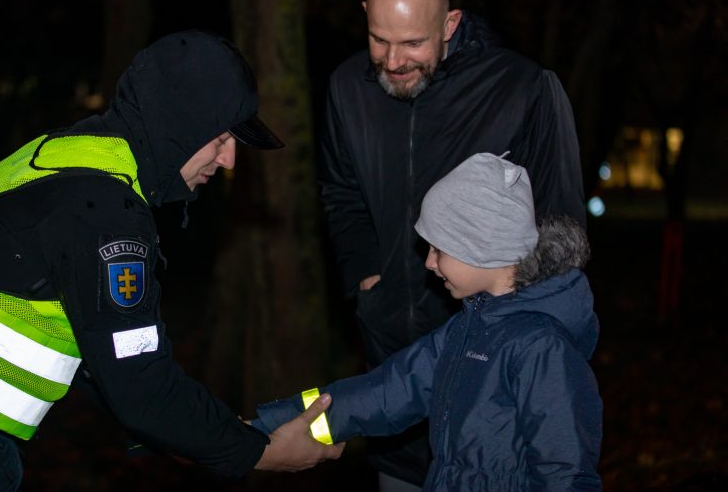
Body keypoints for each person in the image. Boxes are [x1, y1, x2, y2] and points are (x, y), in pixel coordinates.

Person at [0, 30, 344, 490]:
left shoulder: (69, 156)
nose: (229, 160)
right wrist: (261, 455)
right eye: (221, 138)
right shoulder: (106, 213)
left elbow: (105, 366)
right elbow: (140, 386)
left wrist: (209, 433)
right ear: (178, 126)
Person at [319, 0, 586, 489]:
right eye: (379, 39)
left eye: (413, 43)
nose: (393, 61)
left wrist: (508, 331)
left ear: (450, 24)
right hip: (391, 359)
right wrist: (369, 281)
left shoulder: (522, 89)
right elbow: (341, 194)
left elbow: (560, 234)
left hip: (489, 371)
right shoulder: (348, 87)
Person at [252, 152, 603, 490]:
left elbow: (565, 473)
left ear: (480, 248)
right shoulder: (466, 330)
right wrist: (269, 424)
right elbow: (383, 393)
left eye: (439, 249)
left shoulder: (542, 349)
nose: (429, 263)